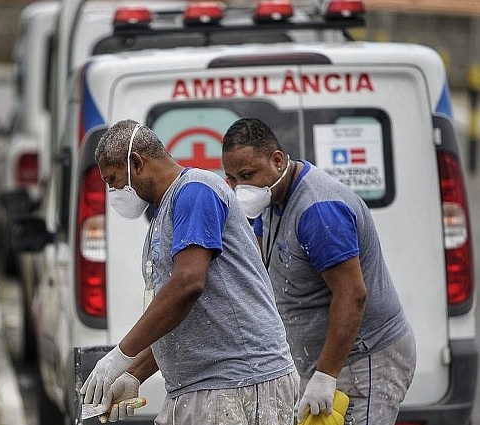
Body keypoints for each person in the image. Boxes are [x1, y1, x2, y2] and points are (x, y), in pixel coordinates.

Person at [81, 119, 299, 424]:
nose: (114, 191)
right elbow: (180, 319)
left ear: (136, 162)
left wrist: (120, 356)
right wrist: (133, 375)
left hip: (237, 383)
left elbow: (188, 284)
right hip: (202, 385)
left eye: (114, 180)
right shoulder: (165, 210)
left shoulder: (196, 191)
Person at [221, 117, 416, 425]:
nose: (240, 187)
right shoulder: (271, 198)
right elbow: (255, 264)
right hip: (326, 362)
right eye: (232, 179)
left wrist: (326, 375)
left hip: (364, 361)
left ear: (277, 160)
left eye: (247, 174)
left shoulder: (318, 211)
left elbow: (352, 294)